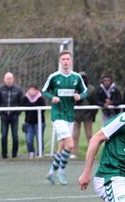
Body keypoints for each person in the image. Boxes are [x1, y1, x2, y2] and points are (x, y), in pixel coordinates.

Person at [43, 51, 87, 185]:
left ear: (71, 61)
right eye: (63, 59)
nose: (66, 61)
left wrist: (80, 96)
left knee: (62, 146)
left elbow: (85, 91)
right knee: (70, 144)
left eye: (68, 59)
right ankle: (61, 171)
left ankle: (51, 172)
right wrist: (52, 98)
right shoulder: (54, 77)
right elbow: (44, 91)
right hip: (58, 115)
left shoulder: (76, 77)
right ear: (60, 61)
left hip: (69, 115)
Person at [0, 72, 23, 159]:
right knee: (3, 136)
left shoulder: (18, 90)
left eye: (10, 78)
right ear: (4, 79)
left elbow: (21, 103)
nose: (9, 80)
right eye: (7, 78)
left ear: (13, 79)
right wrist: (1, 113)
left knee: (15, 136)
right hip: (4, 116)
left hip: (14, 116)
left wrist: (17, 113)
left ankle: (14, 155)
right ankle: (4, 154)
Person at [72, 72, 97, 159]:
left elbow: (94, 103)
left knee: (89, 135)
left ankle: (91, 154)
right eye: (81, 78)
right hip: (76, 115)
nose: (83, 80)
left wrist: (93, 116)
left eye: (84, 78)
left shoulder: (91, 89)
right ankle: (74, 153)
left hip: (88, 115)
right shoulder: (74, 88)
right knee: (75, 135)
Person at [21, 84, 46, 159]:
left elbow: (43, 108)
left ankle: (40, 153)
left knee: (39, 139)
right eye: (30, 89)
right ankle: (31, 152)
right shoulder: (25, 98)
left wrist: (30, 106)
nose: (32, 91)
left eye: (34, 90)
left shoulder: (40, 98)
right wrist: (32, 106)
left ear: (37, 90)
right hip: (28, 122)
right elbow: (22, 105)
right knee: (29, 139)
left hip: (39, 122)